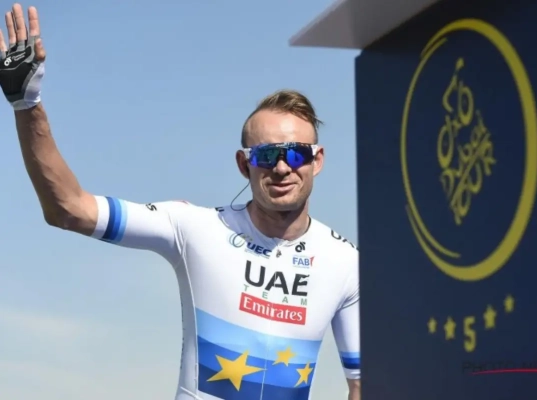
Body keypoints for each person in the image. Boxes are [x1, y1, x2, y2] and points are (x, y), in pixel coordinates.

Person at [0, 4, 361, 400]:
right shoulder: (194, 227)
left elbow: (364, 385)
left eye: (295, 153)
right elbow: (68, 209)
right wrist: (27, 104)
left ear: (317, 161)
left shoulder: (345, 262)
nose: (280, 168)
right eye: (265, 155)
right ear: (244, 164)